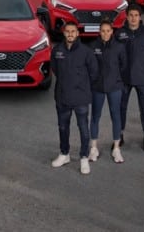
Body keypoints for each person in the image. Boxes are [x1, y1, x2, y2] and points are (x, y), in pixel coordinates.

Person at [51, 22, 98, 175]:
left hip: (81, 98)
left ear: (78, 33)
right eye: (67, 31)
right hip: (62, 96)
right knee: (63, 128)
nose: (70, 34)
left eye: (73, 31)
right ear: (64, 33)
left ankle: (84, 157)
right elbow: (55, 69)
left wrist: (82, 86)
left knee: (83, 129)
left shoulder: (86, 52)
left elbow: (94, 73)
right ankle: (64, 154)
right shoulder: (57, 50)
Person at [116, 4, 144, 155]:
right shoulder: (119, 33)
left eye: (136, 15)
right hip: (124, 78)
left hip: (143, 78)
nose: (133, 18)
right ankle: (119, 136)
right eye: (131, 15)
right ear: (126, 16)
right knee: (121, 108)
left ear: (140, 17)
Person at [90, 20, 127, 164]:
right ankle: (93, 148)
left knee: (115, 116)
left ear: (112, 32)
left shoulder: (119, 47)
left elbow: (123, 66)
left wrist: (117, 80)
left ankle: (116, 148)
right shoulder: (93, 47)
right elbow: (91, 67)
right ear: (99, 32)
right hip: (98, 88)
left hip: (114, 87)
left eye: (108, 31)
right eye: (103, 31)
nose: (105, 33)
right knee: (95, 117)